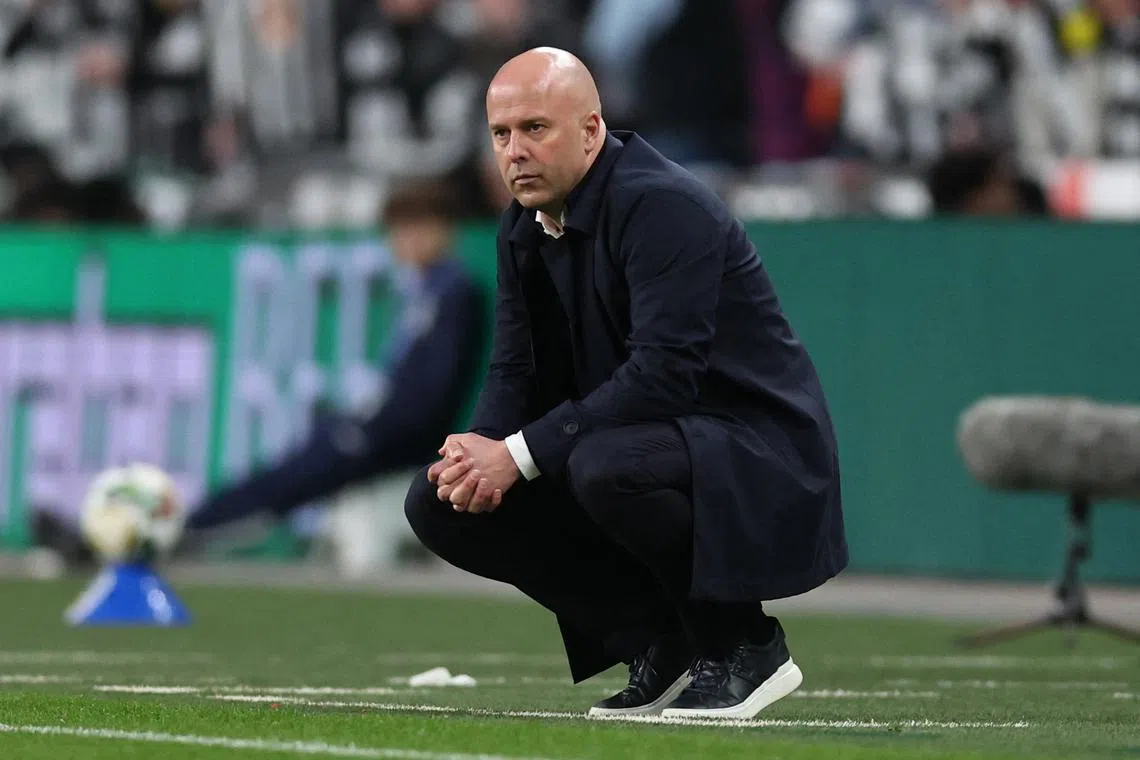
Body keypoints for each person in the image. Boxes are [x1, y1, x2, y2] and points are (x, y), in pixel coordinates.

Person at [403, 48, 847, 720]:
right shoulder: (521, 224)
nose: (514, 152)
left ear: (591, 130)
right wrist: (480, 450)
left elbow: (664, 375)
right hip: (640, 439)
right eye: (501, 134)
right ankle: (655, 636)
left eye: (535, 129)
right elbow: (515, 368)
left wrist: (517, 455)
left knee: (603, 467)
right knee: (439, 501)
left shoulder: (663, 206)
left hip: (757, 451)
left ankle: (745, 645)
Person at [187, 179, 486, 533]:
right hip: (383, 425)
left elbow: (432, 393)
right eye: (399, 229)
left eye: (418, 227)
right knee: (307, 452)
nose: (406, 239)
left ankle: (208, 523)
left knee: (311, 464)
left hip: (402, 435)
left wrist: (372, 427)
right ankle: (209, 517)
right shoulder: (422, 289)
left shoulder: (454, 292)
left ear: (444, 230)